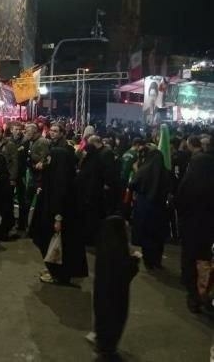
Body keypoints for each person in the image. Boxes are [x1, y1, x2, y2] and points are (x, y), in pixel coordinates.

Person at [31, 131, 88, 285]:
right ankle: (53, 270)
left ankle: (58, 274)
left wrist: (58, 218)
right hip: (55, 217)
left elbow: (61, 200)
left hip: (59, 219)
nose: (48, 160)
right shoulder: (56, 176)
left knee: (58, 246)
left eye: (50, 158)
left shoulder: (62, 181)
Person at [91, 215, 140, 358]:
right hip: (116, 298)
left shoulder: (104, 248)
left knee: (103, 320)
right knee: (113, 322)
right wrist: (135, 260)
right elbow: (125, 273)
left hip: (102, 296)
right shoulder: (118, 251)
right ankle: (108, 350)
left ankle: (102, 345)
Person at [175, 141, 214, 314]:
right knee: (206, 259)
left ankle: (194, 295)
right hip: (208, 224)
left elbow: (182, 195)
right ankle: (206, 293)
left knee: (192, 258)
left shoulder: (196, 167)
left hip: (193, 223)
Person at [130, 145, 171, 269]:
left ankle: (148, 261)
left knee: (146, 234)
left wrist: (136, 170)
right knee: (157, 235)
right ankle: (157, 261)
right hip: (160, 207)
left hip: (144, 206)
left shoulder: (144, 169)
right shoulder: (166, 172)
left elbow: (133, 184)